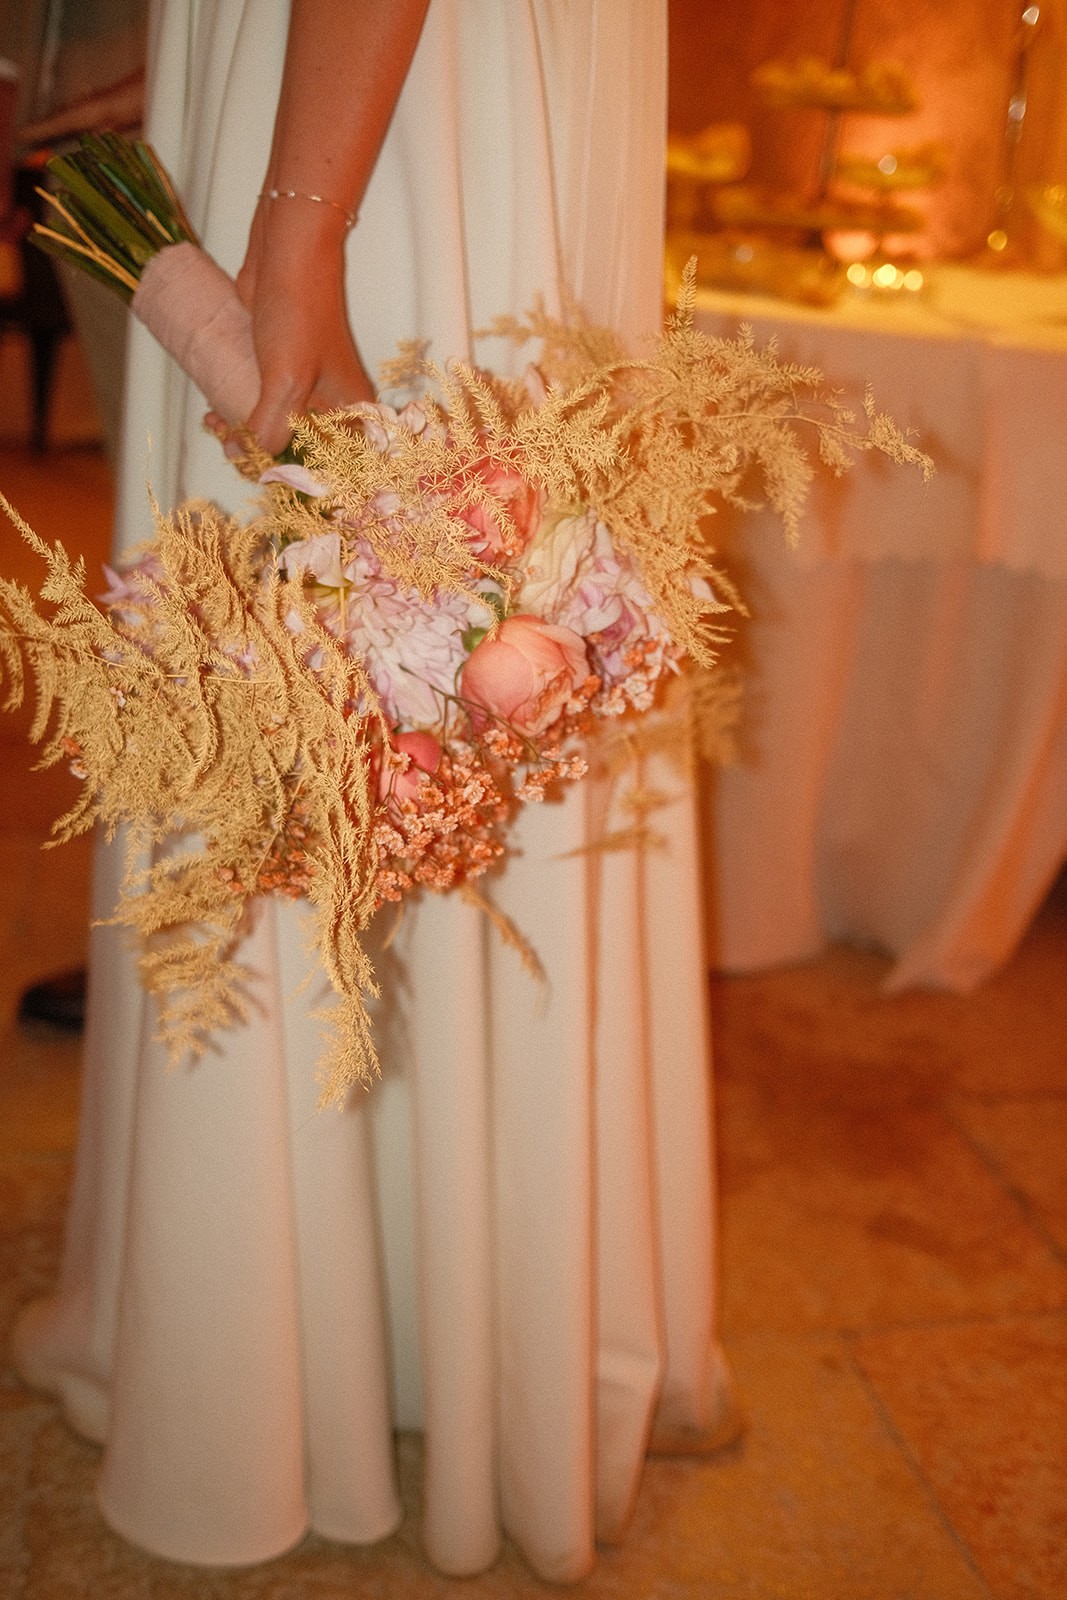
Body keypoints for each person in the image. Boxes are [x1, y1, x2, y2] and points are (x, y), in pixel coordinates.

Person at [13, 0, 734, 1582]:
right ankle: (491, 1326)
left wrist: (299, 224)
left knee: (351, 581)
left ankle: (287, 1366)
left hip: (377, 110)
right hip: (422, 74)